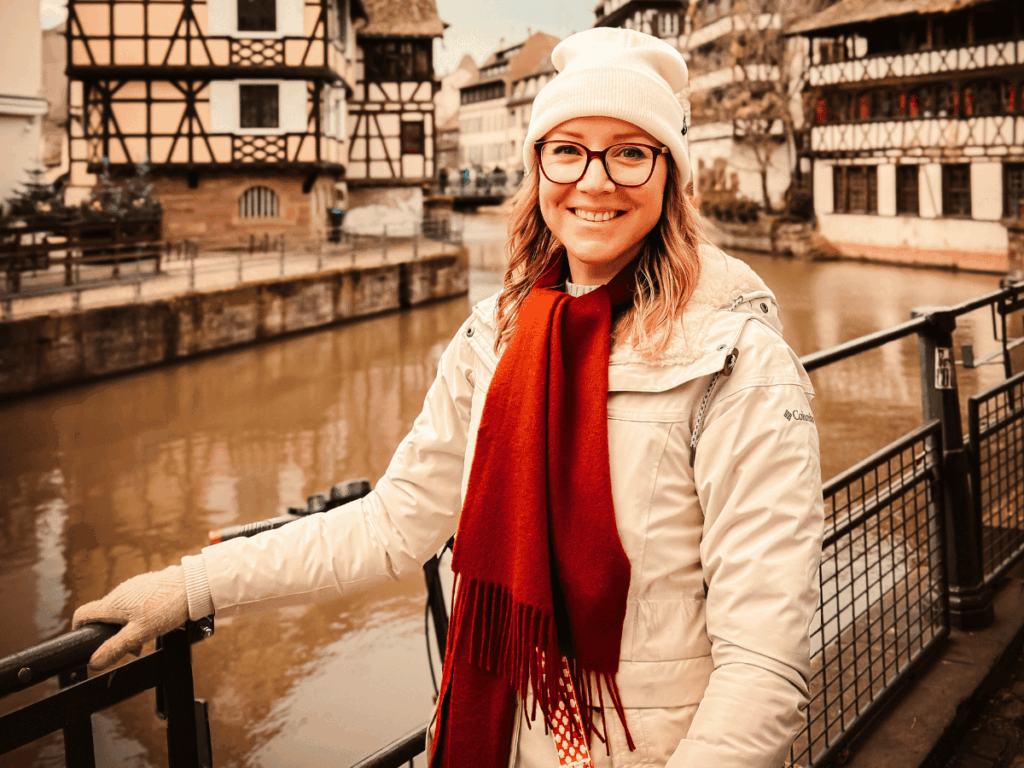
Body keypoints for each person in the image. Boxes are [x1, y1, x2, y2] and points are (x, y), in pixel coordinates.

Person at [73, 28, 824, 768]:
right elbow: (393, 524)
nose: (594, 181)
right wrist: (193, 585)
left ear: (671, 176)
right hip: (498, 739)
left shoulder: (738, 365)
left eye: (631, 152)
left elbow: (761, 665)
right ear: (538, 169)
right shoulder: (493, 340)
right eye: (568, 149)